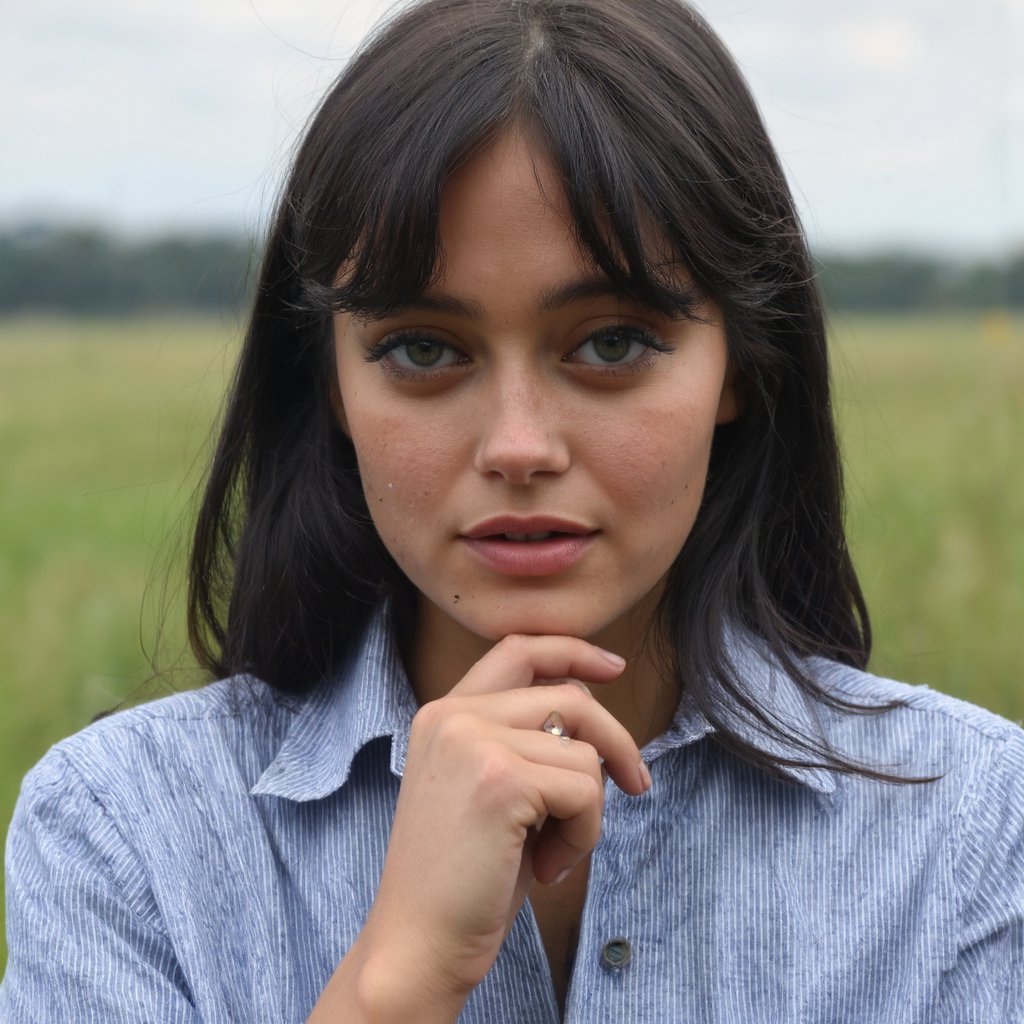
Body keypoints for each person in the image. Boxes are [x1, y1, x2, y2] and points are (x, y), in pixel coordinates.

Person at [2, 0, 1022, 1020]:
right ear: (330, 385)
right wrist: (396, 981)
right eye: (424, 348)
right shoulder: (123, 833)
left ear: (743, 365)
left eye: (611, 343)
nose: (518, 445)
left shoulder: (968, 824)